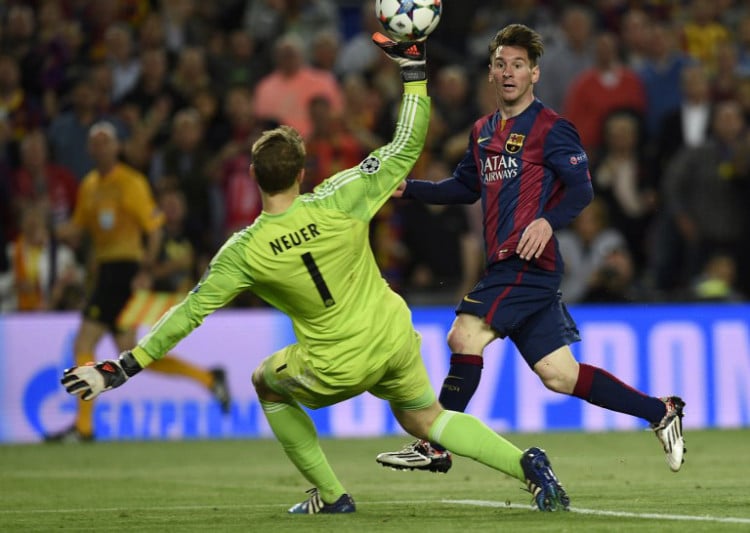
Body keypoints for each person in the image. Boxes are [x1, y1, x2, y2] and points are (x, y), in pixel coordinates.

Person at [58, 34, 571, 513]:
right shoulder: (343, 195)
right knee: (428, 418)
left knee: (266, 381)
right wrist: (414, 73)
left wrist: (120, 367)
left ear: (255, 175)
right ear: (302, 171)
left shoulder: (243, 251)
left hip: (337, 364)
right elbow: (406, 144)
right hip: (393, 336)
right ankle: (524, 464)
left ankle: (330, 494)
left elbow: (189, 313)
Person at [375, 24, 685, 476]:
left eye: (518, 65)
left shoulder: (552, 129)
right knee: (560, 375)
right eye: (500, 64)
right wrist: (410, 189)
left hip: (527, 264)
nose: (508, 72)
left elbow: (581, 191)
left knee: (464, 335)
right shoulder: (482, 131)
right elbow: (464, 188)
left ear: (535, 73)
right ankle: (661, 411)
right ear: (489, 73)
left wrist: (546, 220)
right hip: (512, 268)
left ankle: (433, 444)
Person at [45, 121, 230, 443]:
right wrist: (50, 228)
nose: (100, 147)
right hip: (105, 271)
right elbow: (79, 228)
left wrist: (145, 267)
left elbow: (154, 227)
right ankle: (207, 377)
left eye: (106, 141)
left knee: (84, 343)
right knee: (130, 353)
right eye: (95, 142)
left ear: (117, 147)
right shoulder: (89, 185)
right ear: (90, 149)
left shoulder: (131, 182)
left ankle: (84, 427)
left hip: (124, 269)